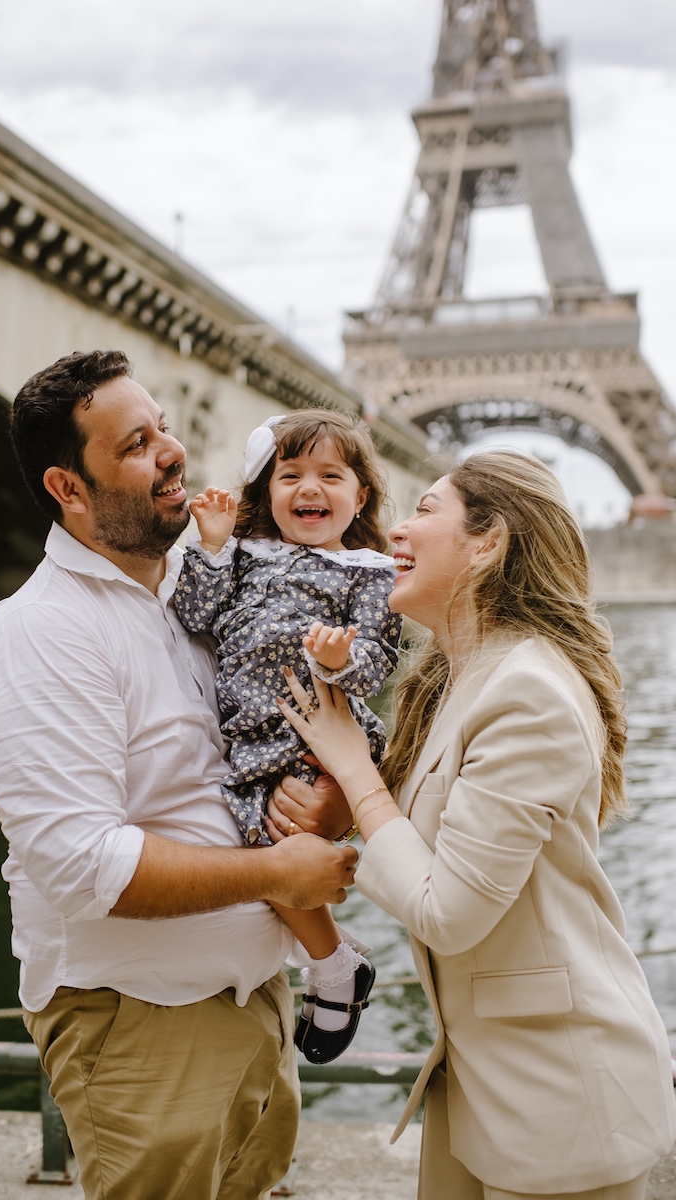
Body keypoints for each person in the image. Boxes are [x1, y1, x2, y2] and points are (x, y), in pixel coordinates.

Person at [0, 350, 358, 1200]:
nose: (172, 451)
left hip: (254, 1005)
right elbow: (80, 863)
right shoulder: (37, 634)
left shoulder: (199, 588)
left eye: (166, 426)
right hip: (142, 1029)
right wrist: (279, 872)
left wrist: (318, 804)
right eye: (137, 443)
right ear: (70, 488)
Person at [271, 450, 676, 1200]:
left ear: (488, 541)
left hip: (561, 1099)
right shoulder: (464, 675)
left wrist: (355, 770)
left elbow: (448, 913)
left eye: (426, 510)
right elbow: (426, 835)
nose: (396, 528)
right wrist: (346, 803)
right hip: (487, 1084)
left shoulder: (526, 691)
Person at [173, 410, 402, 1063]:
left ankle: (331, 967)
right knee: (264, 848)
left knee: (280, 845)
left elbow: (376, 664)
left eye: (331, 475)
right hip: (250, 740)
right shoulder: (240, 556)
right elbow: (194, 615)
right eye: (291, 473)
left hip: (318, 730)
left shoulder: (370, 572)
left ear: (360, 498)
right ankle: (333, 964)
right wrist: (212, 546)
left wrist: (338, 663)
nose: (310, 487)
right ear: (265, 493)